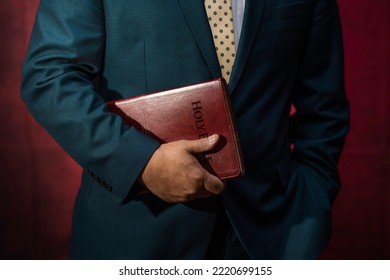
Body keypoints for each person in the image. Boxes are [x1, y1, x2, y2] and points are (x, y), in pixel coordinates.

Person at [21, 0, 349, 259]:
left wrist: (311, 203)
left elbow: (324, 105)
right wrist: (142, 163)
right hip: (135, 240)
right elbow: (50, 77)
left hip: (270, 236)